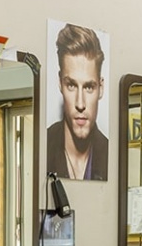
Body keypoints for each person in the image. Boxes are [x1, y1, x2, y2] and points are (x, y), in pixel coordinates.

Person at [46, 24, 108, 181]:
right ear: (60, 83)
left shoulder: (112, 155)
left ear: (101, 88)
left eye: (89, 87)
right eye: (71, 85)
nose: (80, 104)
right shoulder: (42, 146)